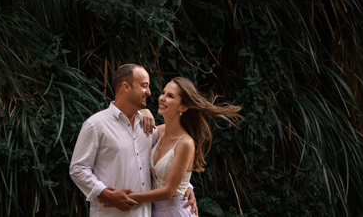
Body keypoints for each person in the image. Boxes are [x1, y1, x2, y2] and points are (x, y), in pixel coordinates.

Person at [70, 64, 197, 216]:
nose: (149, 92)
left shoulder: (148, 127)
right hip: (111, 213)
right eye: (144, 86)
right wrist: (104, 192)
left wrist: (186, 187)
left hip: (145, 213)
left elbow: (168, 158)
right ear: (126, 87)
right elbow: (78, 168)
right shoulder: (96, 125)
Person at [124, 77, 242, 216]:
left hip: (177, 211)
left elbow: (169, 191)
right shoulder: (158, 132)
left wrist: (128, 198)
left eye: (170, 96)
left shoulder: (185, 143)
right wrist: (142, 112)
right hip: (154, 211)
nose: (162, 98)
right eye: (163, 93)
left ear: (183, 107)